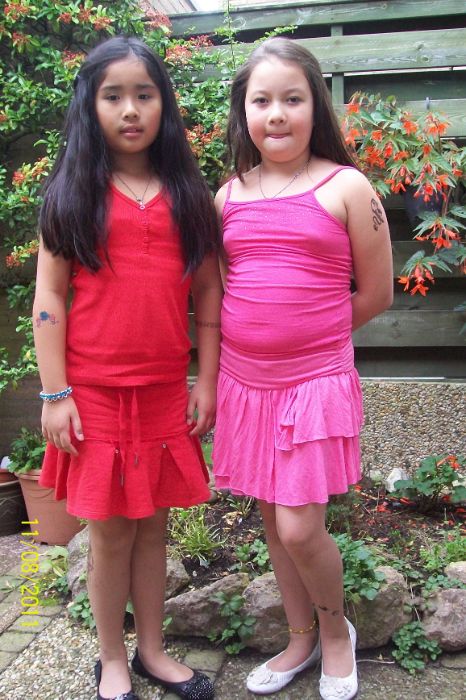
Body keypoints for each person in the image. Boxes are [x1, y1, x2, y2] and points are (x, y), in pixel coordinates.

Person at [33, 36, 222, 700]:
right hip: (94, 394)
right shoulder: (72, 193)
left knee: (155, 528)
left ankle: (153, 652)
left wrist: (206, 380)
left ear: (164, 104)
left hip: (167, 391)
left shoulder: (187, 195)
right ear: (91, 105)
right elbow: (49, 297)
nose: (131, 110)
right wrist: (54, 393)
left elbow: (207, 293)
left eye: (144, 95)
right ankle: (111, 657)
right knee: (110, 533)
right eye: (113, 96)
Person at [212, 37, 393, 700]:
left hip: (314, 385)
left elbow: (377, 293)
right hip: (245, 386)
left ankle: (336, 633)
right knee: (272, 522)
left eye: (292, 99)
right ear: (244, 112)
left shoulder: (346, 186)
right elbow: (221, 293)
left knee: (299, 526)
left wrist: (310, 341)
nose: (277, 113)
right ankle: (299, 638)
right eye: (262, 100)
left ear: (315, 106)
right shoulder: (227, 196)